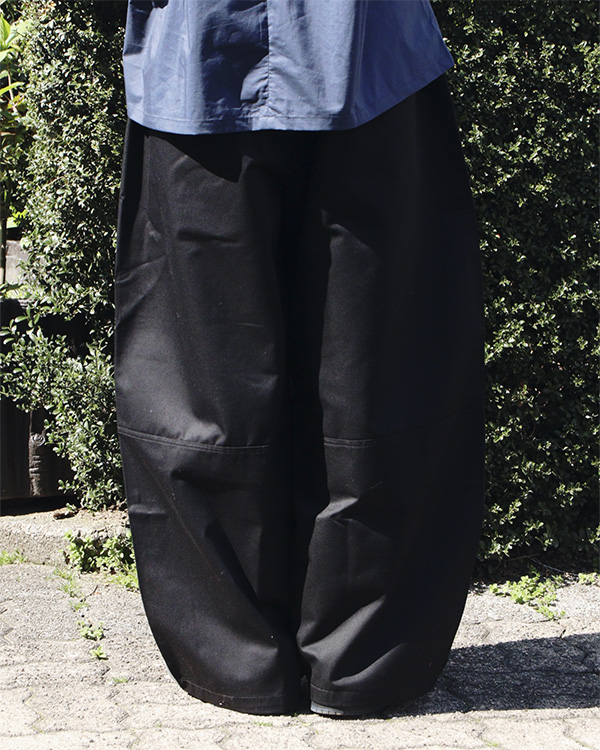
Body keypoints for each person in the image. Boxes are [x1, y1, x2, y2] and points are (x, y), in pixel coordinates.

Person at [115, 0, 485, 717]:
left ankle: (321, 661)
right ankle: (290, 661)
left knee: (368, 370)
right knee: (236, 380)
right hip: (240, 59)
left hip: (346, 59)